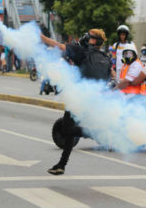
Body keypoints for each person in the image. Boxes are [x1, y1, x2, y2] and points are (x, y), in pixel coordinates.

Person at [41, 29, 112, 175]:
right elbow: (112, 76)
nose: (86, 37)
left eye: (90, 36)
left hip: (79, 98)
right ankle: (61, 164)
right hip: (95, 98)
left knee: (68, 129)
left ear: (93, 41)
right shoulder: (104, 57)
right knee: (69, 130)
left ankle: (94, 133)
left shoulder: (82, 52)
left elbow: (58, 46)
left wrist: (41, 37)